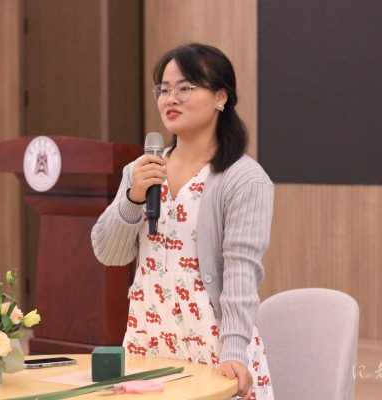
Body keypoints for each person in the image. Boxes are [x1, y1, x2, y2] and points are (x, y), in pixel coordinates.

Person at [91, 42, 274, 400]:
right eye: (163, 89)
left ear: (221, 97)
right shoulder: (142, 171)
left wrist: (234, 351)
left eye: (185, 88)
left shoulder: (244, 178)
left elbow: (241, 273)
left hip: (214, 344)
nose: (170, 99)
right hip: (147, 339)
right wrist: (133, 198)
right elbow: (108, 253)